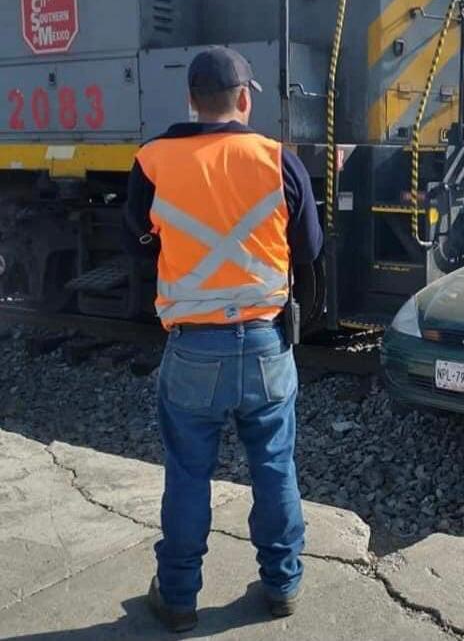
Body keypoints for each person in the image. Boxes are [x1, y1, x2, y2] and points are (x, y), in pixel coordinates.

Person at [122, 46, 323, 632]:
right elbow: (310, 249)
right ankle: (282, 584)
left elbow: (136, 240)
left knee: (188, 472)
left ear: (190, 99)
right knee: (274, 466)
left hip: (193, 349)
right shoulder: (277, 159)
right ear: (244, 99)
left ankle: (178, 598)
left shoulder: (153, 160)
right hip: (265, 344)